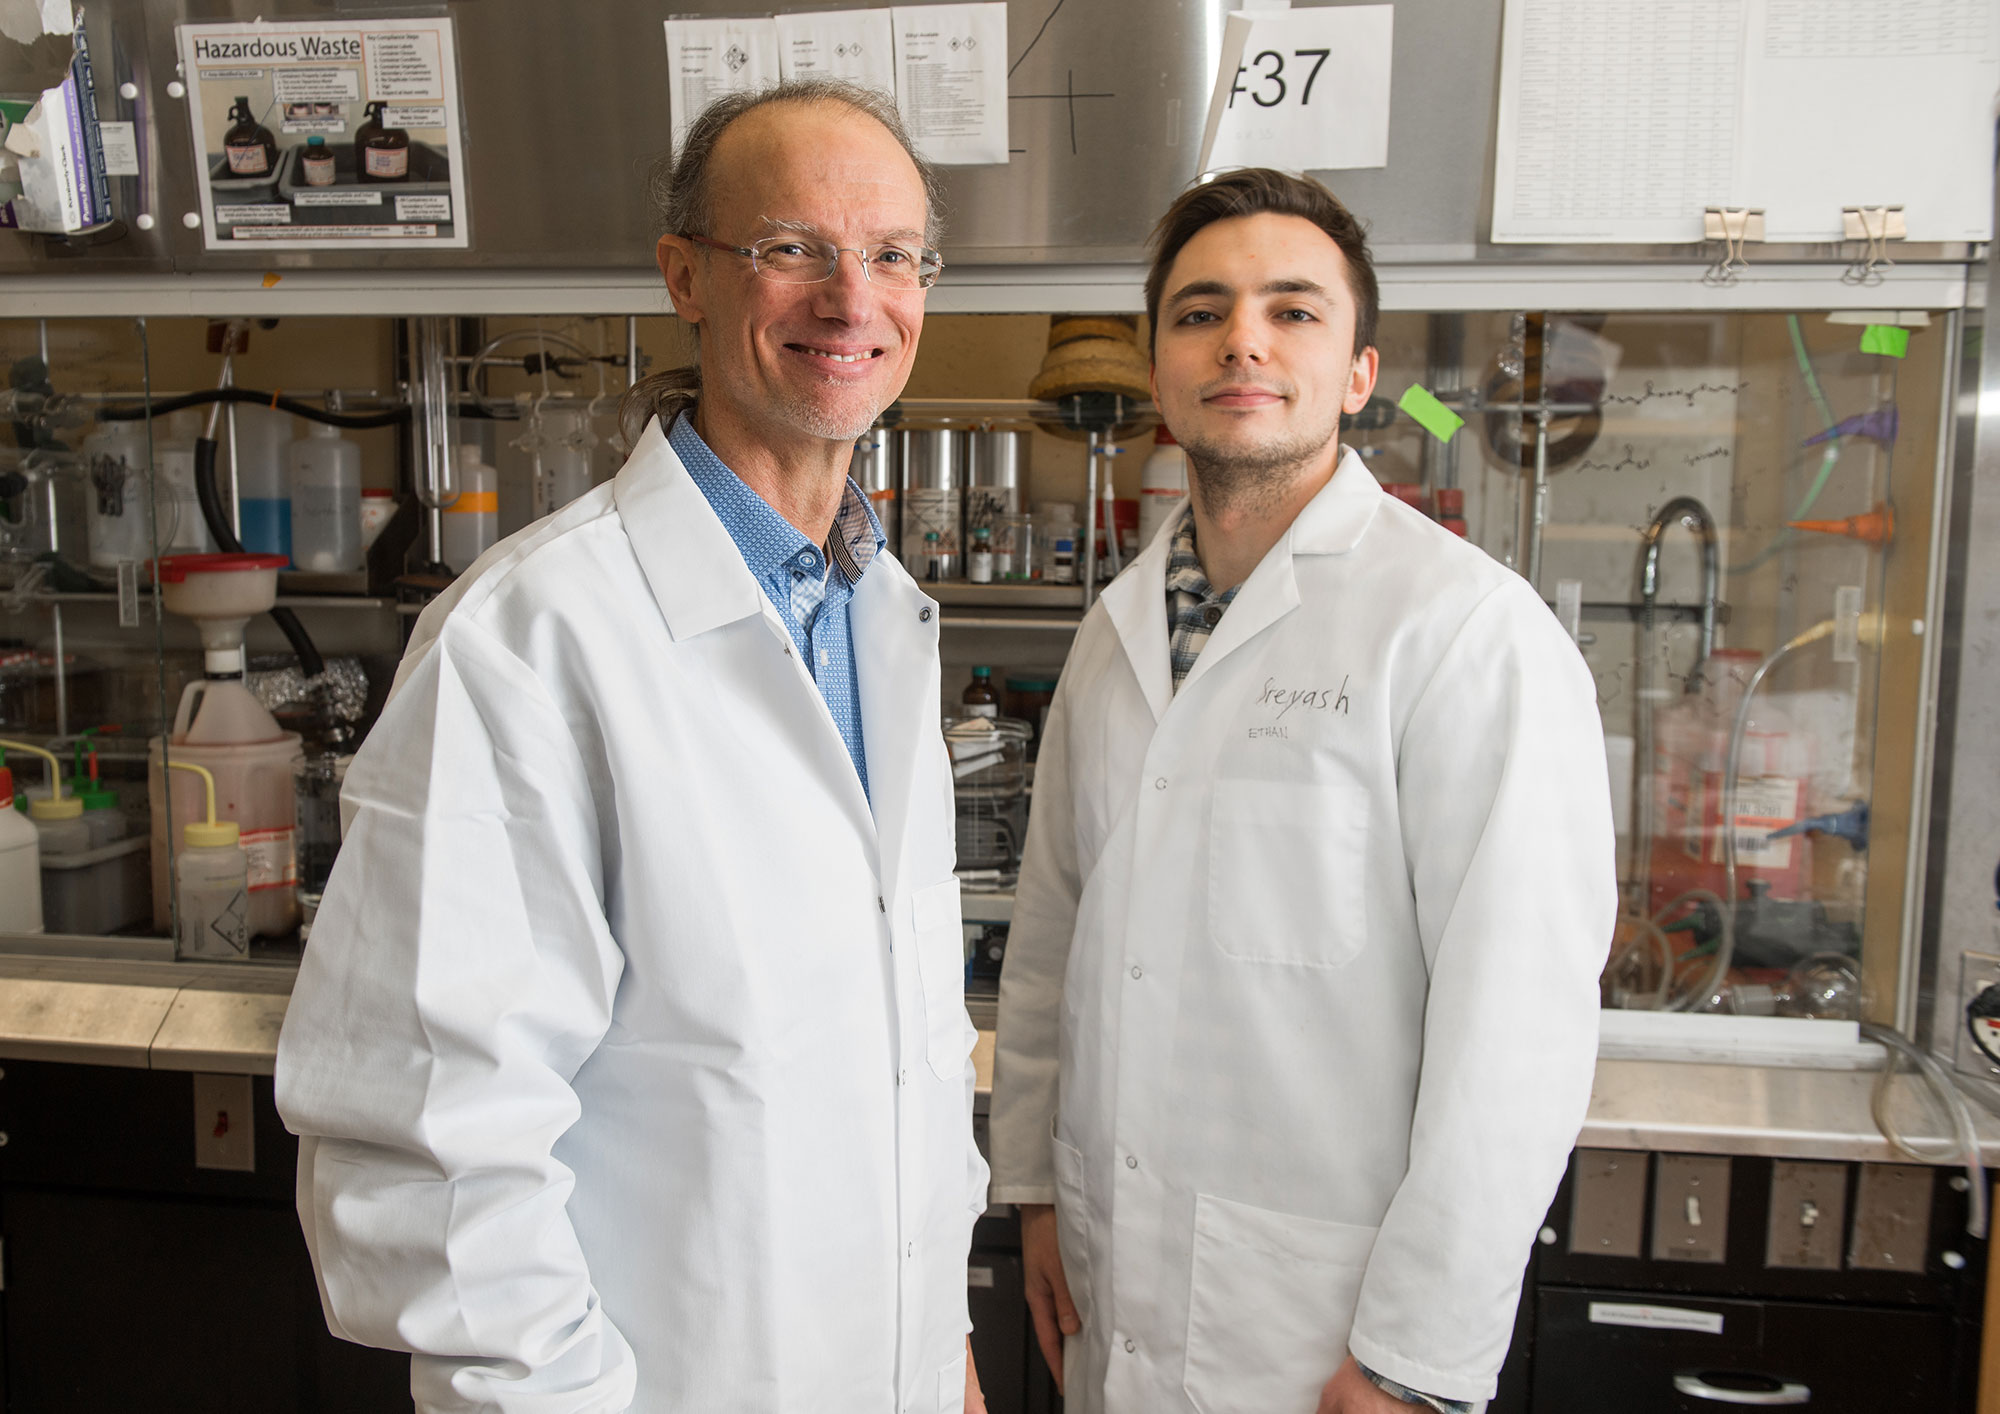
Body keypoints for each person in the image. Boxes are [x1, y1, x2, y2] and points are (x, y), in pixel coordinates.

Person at [278, 79, 988, 1414]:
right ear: (687, 277)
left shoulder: (882, 617)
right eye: (792, 249)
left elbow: (906, 1058)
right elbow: (432, 1150)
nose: (852, 298)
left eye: (893, 255)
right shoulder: (529, 638)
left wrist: (938, 1339)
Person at [988, 168, 1616, 1414]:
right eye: (1199, 311)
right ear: (1162, 374)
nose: (1242, 341)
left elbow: (1519, 1034)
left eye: (1292, 310)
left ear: (1358, 372)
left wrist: (1414, 1363)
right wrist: (1038, 1189)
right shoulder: (1114, 640)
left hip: (1323, 1332)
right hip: (1118, 1292)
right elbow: (1053, 941)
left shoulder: (1460, 631)